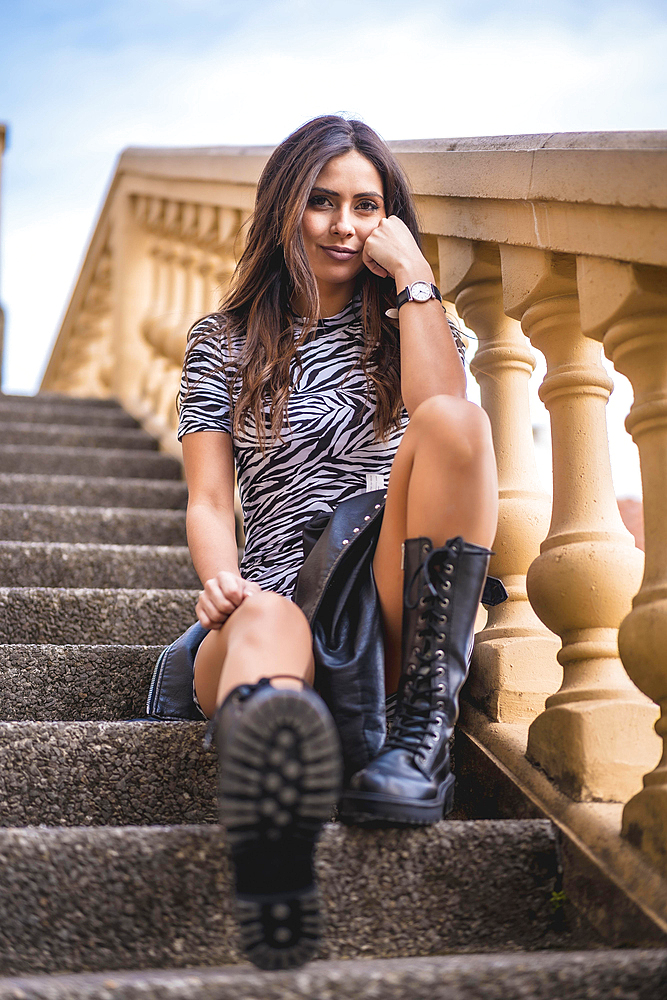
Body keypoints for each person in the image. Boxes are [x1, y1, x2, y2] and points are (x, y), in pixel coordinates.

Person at [147, 115, 499, 971]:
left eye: (367, 206)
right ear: (285, 208)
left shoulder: (417, 324)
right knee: (266, 622)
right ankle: (274, 814)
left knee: (455, 419)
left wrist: (413, 278)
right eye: (321, 202)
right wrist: (221, 581)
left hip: (380, 604)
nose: (344, 225)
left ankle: (419, 732)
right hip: (269, 604)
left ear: (390, 219)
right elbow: (206, 498)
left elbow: (441, 418)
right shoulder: (221, 341)